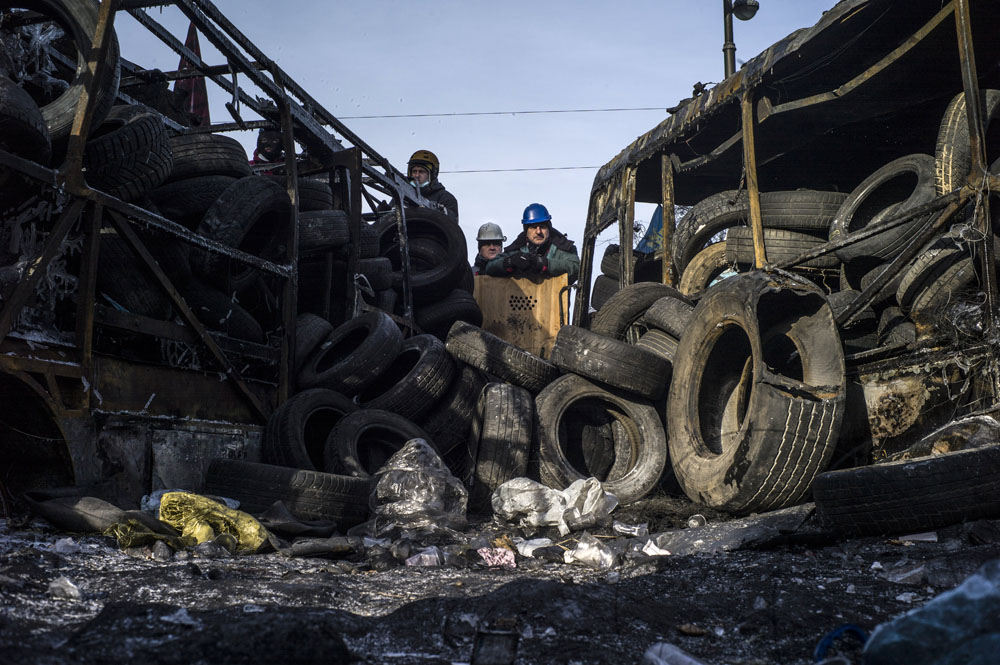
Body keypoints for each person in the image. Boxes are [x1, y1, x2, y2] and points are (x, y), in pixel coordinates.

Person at [486, 203, 580, 283]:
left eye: (542, 227)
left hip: (554, 302)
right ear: (526, 231)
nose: (538, 231)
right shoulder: (516, 248)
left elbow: (576, 268)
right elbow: (490, 267)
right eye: (533, 227)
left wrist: (544, 264)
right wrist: (510, 262)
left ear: (549, 229)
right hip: (520, 302)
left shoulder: (563, 247)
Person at [406, 149, 459, 221]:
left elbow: (452, 225)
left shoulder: (445, 198)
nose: (417, 175)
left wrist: (436, 210)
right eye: (414, 171)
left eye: (421, 172)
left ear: (432, 174)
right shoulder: (403, 194)